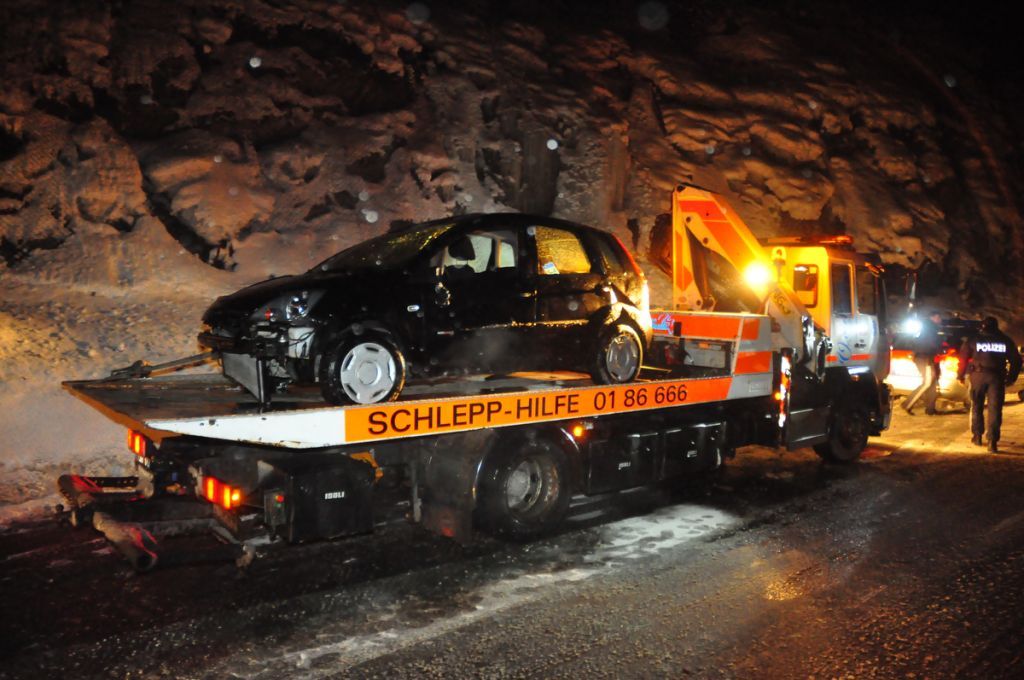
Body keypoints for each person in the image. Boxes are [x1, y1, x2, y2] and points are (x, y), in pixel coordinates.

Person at [957, 316, 1021, 452]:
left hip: (978, 376)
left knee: (977, 406)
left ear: (982, 326)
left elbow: (963, 357)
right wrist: (1011, 378)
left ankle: (977, 436)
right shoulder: (1005, 340)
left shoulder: (974, 339)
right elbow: (1016, 360)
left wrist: (960, 375)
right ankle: (992, 442)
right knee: (995, 409)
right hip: (997, 377)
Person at [903, 310, 944, 415]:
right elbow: (930, 345)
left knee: (932, 382)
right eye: (938, 317)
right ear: (933, 317)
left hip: (925, 357)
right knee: (927, 382)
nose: (940, 320)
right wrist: (940, 349)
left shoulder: (928, 328)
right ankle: (907, 404)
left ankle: (930, 409)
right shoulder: (930, 329)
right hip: (925, 358)